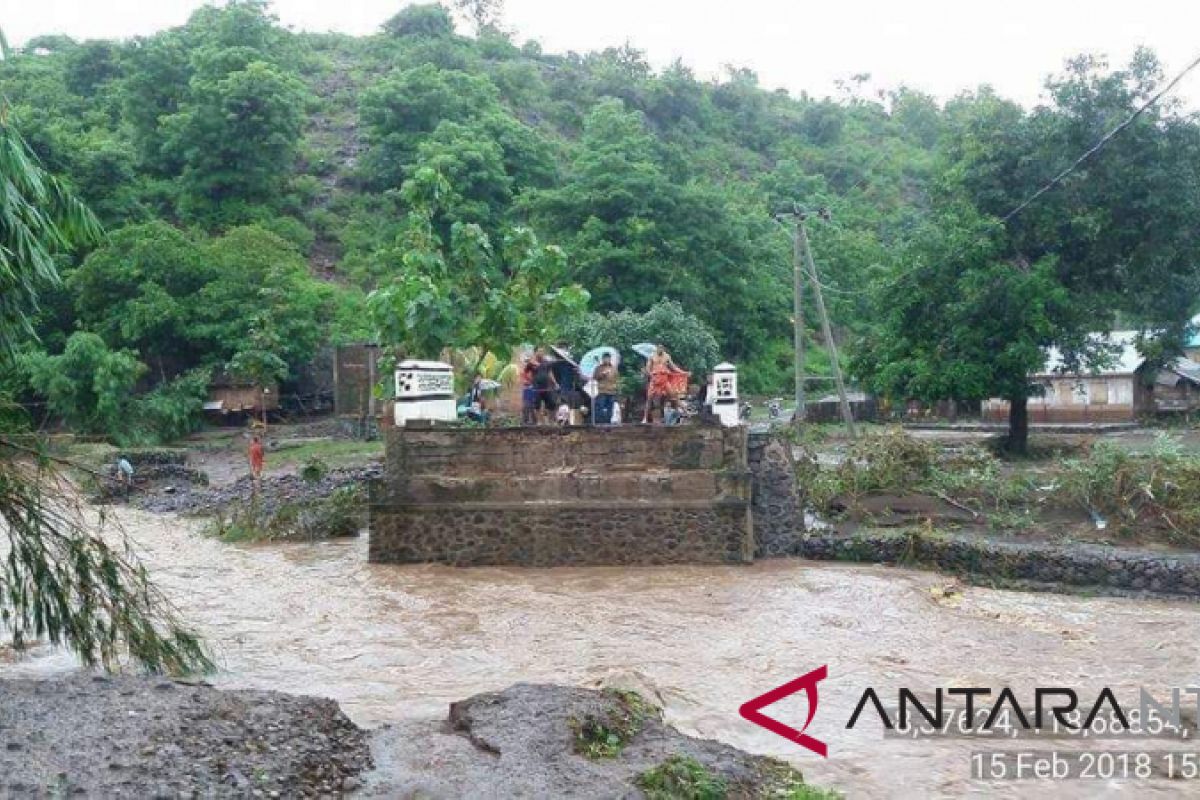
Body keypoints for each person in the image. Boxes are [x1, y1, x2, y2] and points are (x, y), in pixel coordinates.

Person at [644, 346, 687, 424]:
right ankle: (645, 418)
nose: (660, 349)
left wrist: (683, 372)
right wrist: (651, 375)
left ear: (663, 349)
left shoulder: (667, 356)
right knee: (649, 399)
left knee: (673, 395)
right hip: (655, 379)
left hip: (664, 379)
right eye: (659, 348)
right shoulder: (651, 356)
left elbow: (673, 367)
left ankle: (685, 411)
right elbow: (648, 368)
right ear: (657, 348)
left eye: (662, 348)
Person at [531, 350, 559, 425]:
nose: (541, 354)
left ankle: (551, 421)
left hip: (547, 386)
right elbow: (526, 373)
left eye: (542, 352)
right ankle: (539, 421)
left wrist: (555, 383)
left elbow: (550, 373)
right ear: (535, 353)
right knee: (537, 405)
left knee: (552, 404)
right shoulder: (532, 363)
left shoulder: (546, 362)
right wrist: (528, 382)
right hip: (536, 387)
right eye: (539, 352)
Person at [592, 352, 619, 424]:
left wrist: (615, 386)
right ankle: (599, 422)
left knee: (610, 409)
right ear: (603, 359)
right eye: (605, 358)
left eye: (608, 358)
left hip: (612, 391)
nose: (606, 360)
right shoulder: (599, 368)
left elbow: (616, 378)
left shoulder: (613, 368)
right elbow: (595, 377)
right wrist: (602, 374)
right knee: (600, 407)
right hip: (602, 390)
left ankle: (608, 423)